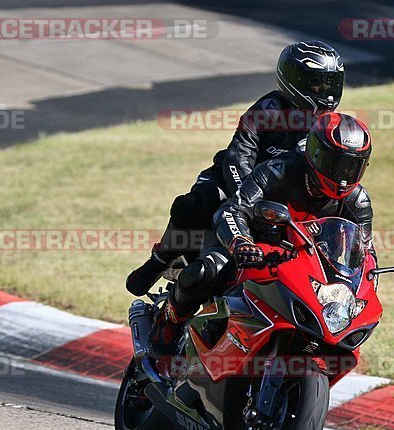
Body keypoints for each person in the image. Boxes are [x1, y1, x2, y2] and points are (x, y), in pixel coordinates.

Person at [125, 41, 345, 297]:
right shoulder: (265, 113)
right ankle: (162, 258)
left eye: (331, 83)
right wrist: (249, 206)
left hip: (281, 202)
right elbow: (237, 162)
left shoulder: (329, 127)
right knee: (194, 204)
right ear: (294, 80)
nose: (326, 92)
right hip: (234, 186)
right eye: (318, 83)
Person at [146, 112, 374, 356]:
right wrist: (240, 242)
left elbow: (363, 251)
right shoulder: (280, 171)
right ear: (317, 154)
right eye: (336, 164)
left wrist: (366, 278)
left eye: (352, 167)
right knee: (209, 269)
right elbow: (233, 210)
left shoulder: (357, 202)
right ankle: (168, 321)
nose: (342, 177)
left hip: (298, 263)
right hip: (250, 246)